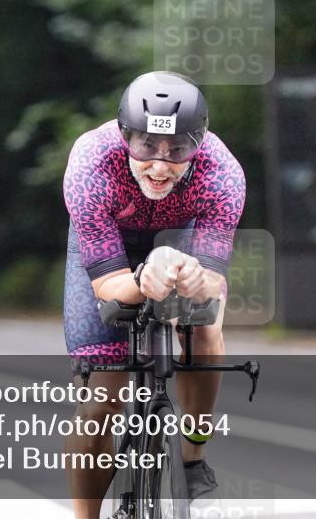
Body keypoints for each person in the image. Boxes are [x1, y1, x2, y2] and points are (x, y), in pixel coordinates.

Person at [62, 71, 246, 519]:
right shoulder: (91, 164)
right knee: (101, 399)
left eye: (178, 149)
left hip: (182, 240)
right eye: (146, 147)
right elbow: (108, 287)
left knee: (205, 327)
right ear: (125, 136)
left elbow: (211, 279)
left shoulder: (222, 175)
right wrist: (144, 276)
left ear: (198, 145)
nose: (160, 166)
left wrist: (200, 282)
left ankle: (193, 458)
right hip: (112, 249)